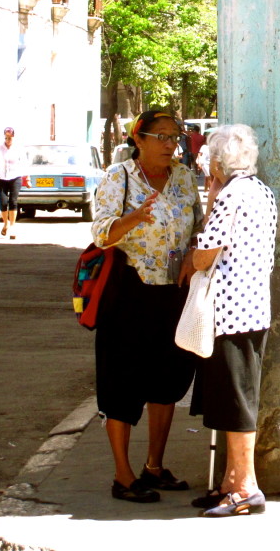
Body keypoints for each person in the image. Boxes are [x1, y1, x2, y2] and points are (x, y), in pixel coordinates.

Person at [90, 110, 204, 503]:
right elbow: (101, 233)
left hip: (173, 292)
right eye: (161, 137)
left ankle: (154, 466)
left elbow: (199, 226)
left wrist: (193, 255)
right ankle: (123, 475)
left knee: (168, 380)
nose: (171, 144)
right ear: (139, 140)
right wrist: (133, 218)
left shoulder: (186, 178)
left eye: (176, 137)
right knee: (121, 381)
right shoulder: (118, 177)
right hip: (129, 293)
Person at [189, 124, 277, 517]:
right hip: (254, 307)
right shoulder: (262, 193)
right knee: (232, 398)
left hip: (230, 312)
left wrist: (209, 201)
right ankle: (230, 482)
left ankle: (245, 487)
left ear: (220, 163)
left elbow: (204, 254)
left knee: (237, 400)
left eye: (210, 159)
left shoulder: (230, 196)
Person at [0, 127, 25, 239]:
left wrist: (27, 177)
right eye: (6, 137)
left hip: (15, 177)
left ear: (13, 136)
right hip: (1, 178)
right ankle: (5, 223)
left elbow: (24, 163)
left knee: (13, 201)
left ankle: (13, 226)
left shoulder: (18, 148)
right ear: (4, 136)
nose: (8, 139)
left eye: (10, 137)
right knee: (3, 202)